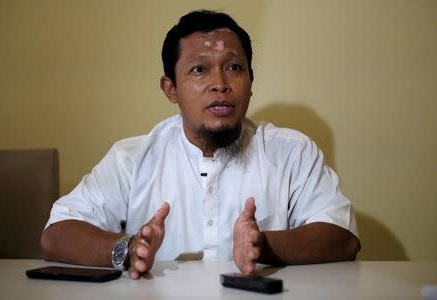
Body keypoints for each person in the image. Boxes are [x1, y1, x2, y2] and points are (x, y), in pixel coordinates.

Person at [41, 9, 361, 280]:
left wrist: (262, 244)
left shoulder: (292, 151)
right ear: (171, 89)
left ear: (251, 82)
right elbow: (56, 235)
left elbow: (343, 239)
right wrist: (127, 248)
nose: (220, 84)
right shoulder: (131, 157)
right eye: (199, 70)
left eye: (234, 67)